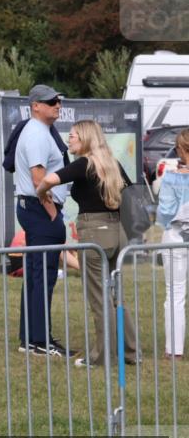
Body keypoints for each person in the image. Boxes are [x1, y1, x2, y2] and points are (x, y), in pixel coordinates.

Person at [35, 120, 138, 368]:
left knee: (99, 298)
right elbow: (130, 193)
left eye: (72, 136)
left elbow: (49, 179)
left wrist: (40, 193)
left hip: (95, 233)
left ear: (84, 139)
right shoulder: (111, 163)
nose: (68, 140)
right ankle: (131, 353)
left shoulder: (84, 164)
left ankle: (101, 356)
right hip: (117, 231)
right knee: (116, 297)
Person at [13, 84, 75, 357]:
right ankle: (39, 340)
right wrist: (52, 213)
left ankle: (31, 338)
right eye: (51, 101)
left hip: (35, 209)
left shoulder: (39, 130)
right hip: (40, 210)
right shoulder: (37, 133)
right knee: (44, 276)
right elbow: (39, 180)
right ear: (35, 105)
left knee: (37, 275)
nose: (57, 105)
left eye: (58, 100)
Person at [155, 128, 189, 359]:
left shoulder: (172, 177)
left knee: (175, 293)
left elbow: (165, 214)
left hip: (176, 236)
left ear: (179, 149)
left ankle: (174, 350)